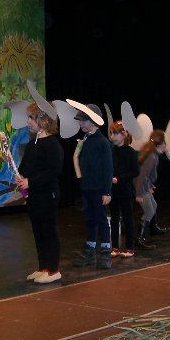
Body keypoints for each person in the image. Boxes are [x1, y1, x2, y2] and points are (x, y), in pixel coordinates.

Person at [15, 102, 64, 284]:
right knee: (38, 231)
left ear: (43, 120)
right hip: (35, 195)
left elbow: (54, 170)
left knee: (48, 231)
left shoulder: (52, 144)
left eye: (31, 118)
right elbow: (26, 167)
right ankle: (43, 267)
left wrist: (31, 181)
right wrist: (20, 177)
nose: (28, 121)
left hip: (48, 194)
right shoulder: (32, 143)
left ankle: (53, 270)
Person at [70, 102, 114, 269]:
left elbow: (108, 168)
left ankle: (105, 252)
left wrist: (107, 191)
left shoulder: (102, 142)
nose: (81, 123)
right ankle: (90, 251)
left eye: (84, 120)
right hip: (87, 187)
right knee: (89, 219)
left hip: (98, 188)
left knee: (101, 220)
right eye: (80, 120)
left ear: (94, 121)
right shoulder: (85, 140)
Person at [109, 120, 140, 258]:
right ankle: (115, 246)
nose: (113, 136)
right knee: (114, 218)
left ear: (124, 134)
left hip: (125, 190)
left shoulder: (130, 152)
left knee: (128, 219)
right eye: (111, 133)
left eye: (115, 133)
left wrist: (120, 178)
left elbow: (135, 171)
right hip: (113, 190)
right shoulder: (111, 150)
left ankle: (129, 247)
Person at [134, 130, 168, 249]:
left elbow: (148, 176)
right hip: (141, 187)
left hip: (144, 186)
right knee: (149, 210)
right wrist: (139, 194)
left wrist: (150, 185)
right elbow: (142, 176)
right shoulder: (152, 157)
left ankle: (153, 228)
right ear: (161, 144)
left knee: (154, 205)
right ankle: (139, 238)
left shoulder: (153, 155)